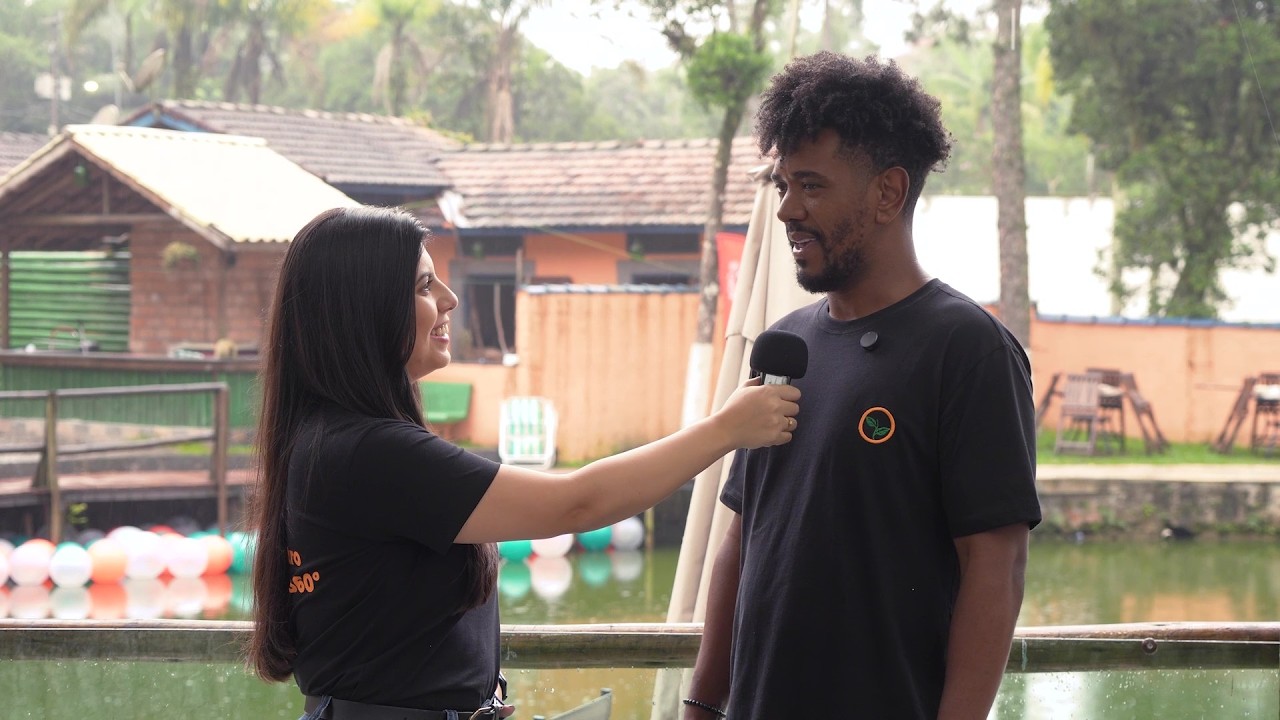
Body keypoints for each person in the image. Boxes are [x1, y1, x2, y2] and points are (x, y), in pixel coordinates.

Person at [245, 205, 800, 720]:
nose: (449, 298)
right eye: (422, 284)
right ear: (362, 309)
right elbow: (577, 501)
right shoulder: (368, 453)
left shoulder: (334, 440)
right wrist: (725, 430)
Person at [682, 53, 1042, 720]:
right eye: (783, 184)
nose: (789, 208)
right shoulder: (784, 345)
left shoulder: (969, 351)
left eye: (812, 185)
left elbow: (996, 568)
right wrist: (703, 701)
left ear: (888, 192)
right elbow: (741, 537)